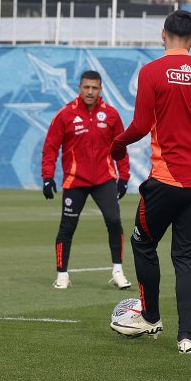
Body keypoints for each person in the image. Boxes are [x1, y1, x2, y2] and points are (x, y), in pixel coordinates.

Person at [108, 10, 191, 355]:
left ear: (162, 35)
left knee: (142, 244)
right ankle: (186, 337)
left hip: (166, 179)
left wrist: (116, 144)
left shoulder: (151, 71)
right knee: (185, 258)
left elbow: (139, 125)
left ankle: (149, 316)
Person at [41, 70, 131, 290]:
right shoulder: (65, 115)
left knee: (114, 221)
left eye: (94, 88)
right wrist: (47, 177)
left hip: (104, 179)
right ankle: (62, 275)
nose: (90, 91)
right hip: (75, 181)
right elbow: (50, 147)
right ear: (79, 88)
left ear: (101, 89)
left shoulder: (111, 114)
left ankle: (118, 272)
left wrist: (124, 176)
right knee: (67, 227)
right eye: (86, 87)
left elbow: (121, 147)